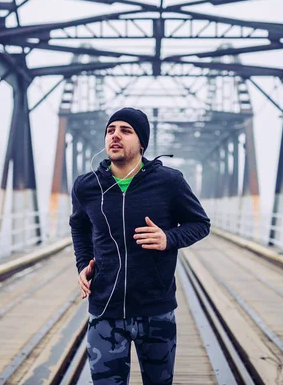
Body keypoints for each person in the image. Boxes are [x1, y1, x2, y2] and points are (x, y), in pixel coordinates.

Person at [69, 107, 210, 384]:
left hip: (155, 311)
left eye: (125, 130)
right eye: (110, 130)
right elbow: (79, 226)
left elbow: (200, 224)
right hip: (105, 312)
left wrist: (168, 238)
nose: (115, 136)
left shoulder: (169, 182)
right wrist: (83, 264)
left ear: (141, 143)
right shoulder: (87, 186)